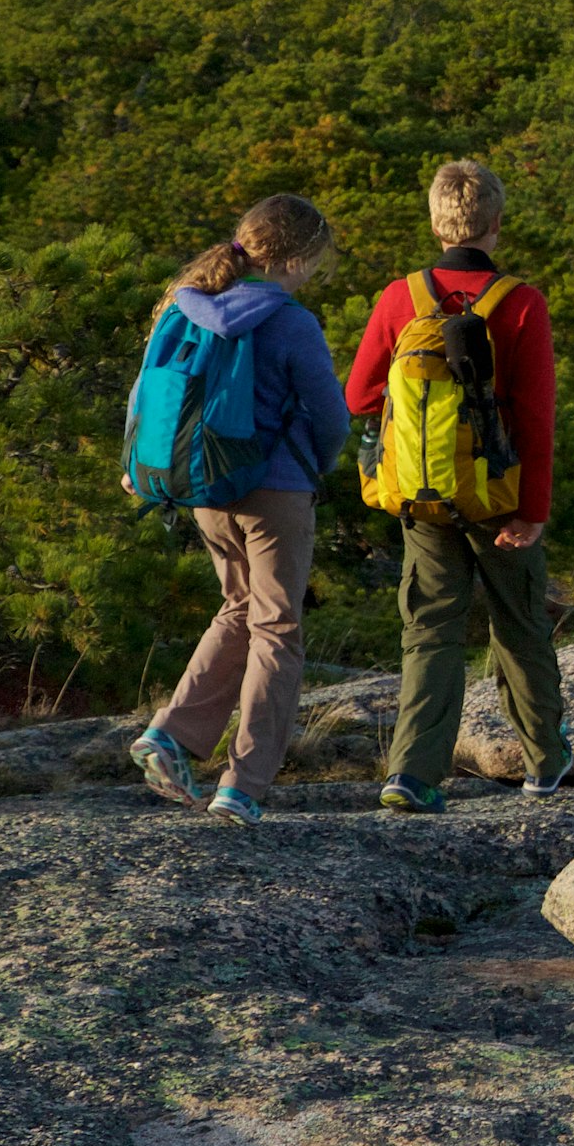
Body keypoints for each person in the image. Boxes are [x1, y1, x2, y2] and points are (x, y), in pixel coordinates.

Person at [348, 158, 570, 811]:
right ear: (496, 224)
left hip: (422, 496)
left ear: (437, 222)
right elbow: (535, 416)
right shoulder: (521, 303)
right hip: (500, 496)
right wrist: (533, 510)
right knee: (520, 623)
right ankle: (545, 762)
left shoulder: (400, 299)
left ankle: (412, 775)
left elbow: (359, 395)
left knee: (430, 630)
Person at [130, 193, 350, 829]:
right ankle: (244, 784)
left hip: (202, 488)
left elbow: (148, 393)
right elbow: (331, 416)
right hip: (275, 489)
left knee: (238, 609)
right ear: (299, 258)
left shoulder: (185, 304)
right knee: (278, 627)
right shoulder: (291, 322)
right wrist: (316, 465)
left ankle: (171, 734)